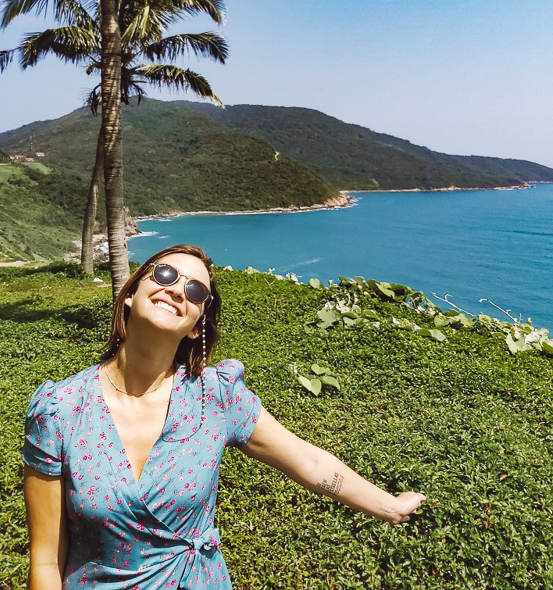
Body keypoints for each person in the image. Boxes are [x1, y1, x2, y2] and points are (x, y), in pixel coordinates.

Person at [23, 243, 425, 590]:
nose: (177, 289)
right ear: (131, 292)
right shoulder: (60, 410)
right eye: (165, 273)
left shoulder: (216, 397)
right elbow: (44, 559)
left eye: (195, 290)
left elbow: (310, 461)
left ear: (197, 325)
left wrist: (389, 506)